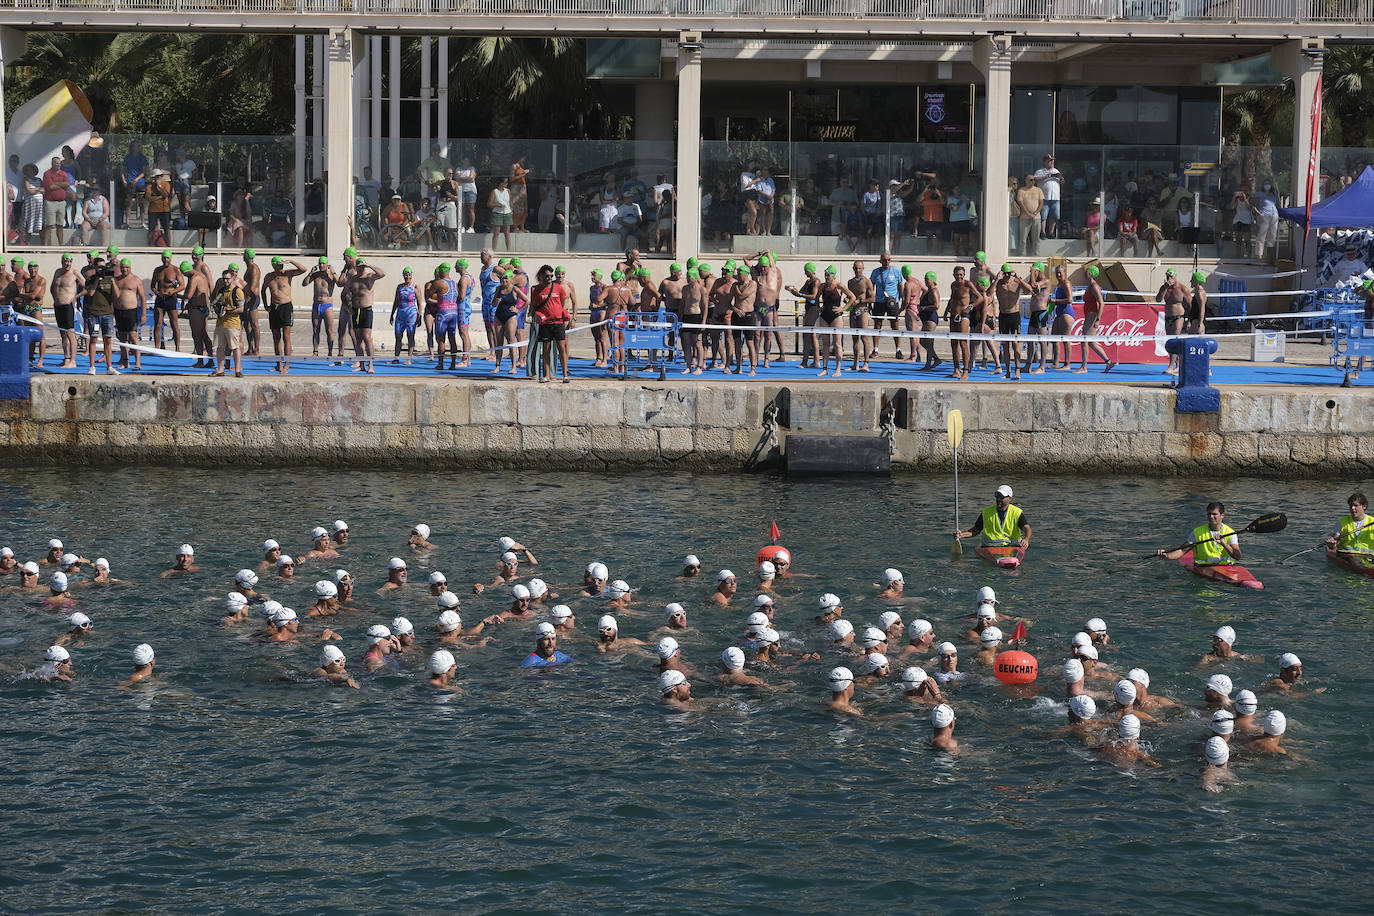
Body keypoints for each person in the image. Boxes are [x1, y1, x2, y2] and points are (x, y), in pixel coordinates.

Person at [1157, 501, 1238, 567]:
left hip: (1226, 567)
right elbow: (1182, 550)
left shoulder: (1231, 532)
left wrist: (1224, 544)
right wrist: (1167, 556)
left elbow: (1237, 556)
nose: (1211, 516)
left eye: (1214, 514)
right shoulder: (1197, 532)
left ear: (1222, 515)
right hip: (1203, 567)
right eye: (1209, 514)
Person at [955, 484, 1031, 554]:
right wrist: (962, 535)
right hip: (989, 548)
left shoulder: (1017, 512)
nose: (998, 499)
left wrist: (1026, 539)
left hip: (1012, 547)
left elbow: (1027, 528)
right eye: (997, 496)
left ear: (1010, 498)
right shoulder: (986, 512)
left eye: (1002, 497)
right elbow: (976, 530)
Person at [1077, 264, 1115, 372]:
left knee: (1084, 340)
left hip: (1092, 315)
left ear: (1090, 274)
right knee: (1091, 342)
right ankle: (1108, 362)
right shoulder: (1090, 286)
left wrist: (1098, 319)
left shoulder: (1094, 286)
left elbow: (1102, 303)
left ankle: (1084, 367)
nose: (1084, 273)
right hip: (1090, 315)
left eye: (1086, 272)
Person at [209, 264, 245, 378]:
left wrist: (227, 310)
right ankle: (220, 369)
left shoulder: (237, 291)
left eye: (228, 278)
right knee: (219, 348)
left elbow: (241, 308)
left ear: (233, 278)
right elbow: (214, 302)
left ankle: (238, 370)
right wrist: (216, 308)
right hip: (220, 324)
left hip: (232, 324)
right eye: (224, 278)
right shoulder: (221, 291)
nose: (225, 281)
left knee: (235, 347)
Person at [1156, 267, 1189, 376]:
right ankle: (1178, 366)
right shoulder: (1165, 288)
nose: (1169, 278)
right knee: (1170, 342)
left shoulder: (1182, 288)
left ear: (1175, 277)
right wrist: (1164, 288)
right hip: (1168, 317)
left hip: (1178, 317)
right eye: (1167, 276)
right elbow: (1158, 299)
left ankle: (1170, 366)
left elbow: (1190, 304)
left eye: (1171, 276)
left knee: (1174, 340)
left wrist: (1189, 320)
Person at [1033, 154, 1063, 239]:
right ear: (1045, 161)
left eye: (1052, 161)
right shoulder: (1040, 171)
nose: (1051, 162)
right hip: (1045, 197)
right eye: (1049, 161)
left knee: (1055, 216)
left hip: (1055, 197)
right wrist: (1046, 177)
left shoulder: (1056, 171)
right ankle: (1043, 232)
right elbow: (1035, 180)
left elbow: (1062, 181)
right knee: (1044, 215)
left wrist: (1060, 177)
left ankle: (1051, 232)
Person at [1016, 173, 1044, 257]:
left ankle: (1036, 256)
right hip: (1024, 218)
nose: (1033, 181)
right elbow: (1021, 203)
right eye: (1031, 180)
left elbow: (1041, 203)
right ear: (1026, 181)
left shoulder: (1038, 190)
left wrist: (1035, 213)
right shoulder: (1021, 190)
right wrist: (1028, 213)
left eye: (1034, 180)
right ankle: (1022, 256)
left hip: (1037, 218)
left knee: (1036, 239)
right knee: (1023, 239)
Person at [1252, 178, 1279, 259]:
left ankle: (1270, 256)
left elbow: (1277, 204)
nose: (1267, 185)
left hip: (1274, 215)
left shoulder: (1274, 194)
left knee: (1272, 236)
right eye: (1265, 184)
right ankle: (1259, 255)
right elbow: (1254, 205)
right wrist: (1259, 213)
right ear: (1263, 185)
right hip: (1264, 215)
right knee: (1261, 236)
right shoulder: (1259, 194)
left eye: (1269, 184)